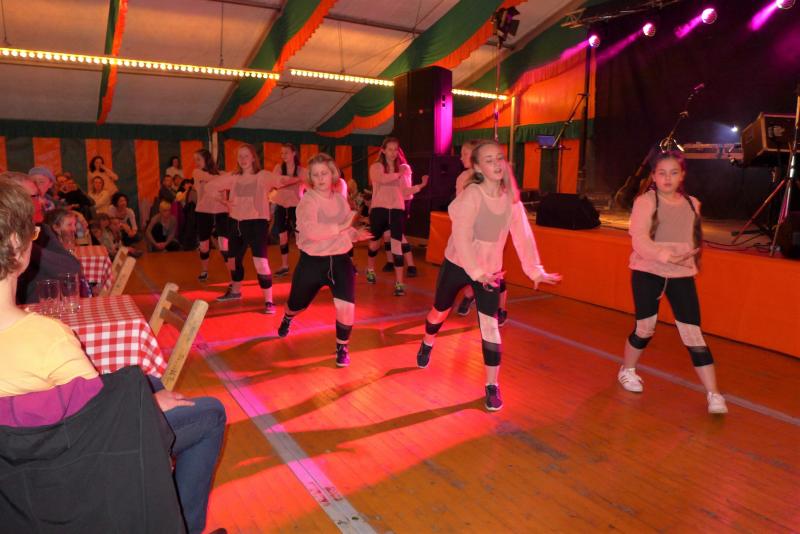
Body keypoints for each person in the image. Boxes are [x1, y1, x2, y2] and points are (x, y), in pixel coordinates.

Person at [415, 140, 562, 411]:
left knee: (490, 326)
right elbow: (461, 237)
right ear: (478, 168)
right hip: (459, 264)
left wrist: (534, 270)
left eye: (499, 158)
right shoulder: (472, 195)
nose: (496, 164)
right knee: (439, 312)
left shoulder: (511, 201)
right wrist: (476, 272)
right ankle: (427, 341)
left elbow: (523, 237)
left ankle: (492, 385)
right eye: (489, 160)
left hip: (490, 271)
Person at [618, 150, 727, 414]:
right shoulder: (645, 202)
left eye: (673, 173)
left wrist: (688, 256)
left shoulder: (693, 203)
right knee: (645, 328)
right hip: (648, 271)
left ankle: (714, 394)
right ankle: (627, 369)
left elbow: (692, 240)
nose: (667, 178)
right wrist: (666, 256)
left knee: (693, 334)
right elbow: (639, 240)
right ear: (654, 176)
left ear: (682, 176)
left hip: (681, 275)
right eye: (662, 173)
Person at [277, 153, 372, 367]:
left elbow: (345, 229)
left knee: (346, 305)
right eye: (315, 174)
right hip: (312, 262)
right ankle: (288, 317)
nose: (320, 178)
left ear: (333, 175)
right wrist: (342, 227)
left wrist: (355, 234)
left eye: (324, 173)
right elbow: (311, 231)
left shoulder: (339, 200)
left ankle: (342, 347)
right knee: (296, 305)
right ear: (310, 178)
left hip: (339, 260)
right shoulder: (307, 201)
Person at [209, 143, 292, 314]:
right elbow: (211, 186)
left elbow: (281, 181)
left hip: (256, 224)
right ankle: (235, 291)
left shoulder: (262, 176)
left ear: (254, 157)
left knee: (260, 262)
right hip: (235, 223)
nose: (243, 159)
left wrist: (303, 178)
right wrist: (222, 201)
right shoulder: (233, 177)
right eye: (240, 156)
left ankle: (269, 301)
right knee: (232, 261)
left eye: (246, 155)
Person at [452, 140, 512, 326]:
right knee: (469, 267)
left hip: (490, 235)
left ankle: (500, 308)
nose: (461, 157)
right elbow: (460, 207)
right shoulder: (463, 178)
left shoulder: (495, 178)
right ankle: (470, 295)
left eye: (465, 154)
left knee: (494, 272)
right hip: (471, 235)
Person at [365, 137, 427, 296]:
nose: (393, 153)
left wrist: (420, 186)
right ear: (383, 150)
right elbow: (381, 179)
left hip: (397, 210)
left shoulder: (402, 169)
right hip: (379, 210)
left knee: (396, 245)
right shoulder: (376, 167)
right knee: (374, 244)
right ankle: (370, 269)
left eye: (395, 149)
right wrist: (399, 174)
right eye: (390, 149)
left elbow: (405, 191)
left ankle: (399, 283)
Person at [193, 149, 230, 283]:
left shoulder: (223, 174)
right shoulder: (197, 173)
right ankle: (204, 271)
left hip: (221, 212)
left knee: (224, 244)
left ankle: (233, 275)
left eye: (198, 159)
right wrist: (226, 177)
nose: (196, 162)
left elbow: (230, 182)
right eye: (195, 160)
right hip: (203, 212)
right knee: (204, 244)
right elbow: (211, 178)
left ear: (206, 159)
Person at [271, 143, 306, 277]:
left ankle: (303, 266)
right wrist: (296, 180)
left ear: (293, 153)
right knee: (282, 237)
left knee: (299, 237)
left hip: (296, 207)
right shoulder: (279, 168)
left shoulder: (302, 170)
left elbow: (309, 185)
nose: (283, 155)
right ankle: (285, 266)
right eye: (282, 153)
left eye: (286, 152)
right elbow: (278, 182)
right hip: (281, 206)